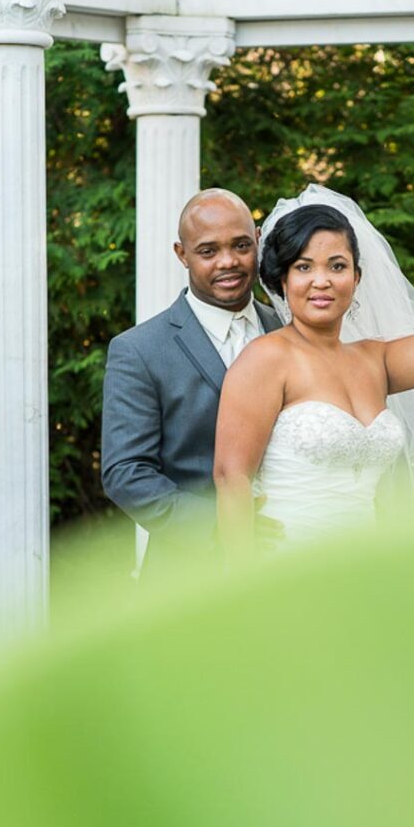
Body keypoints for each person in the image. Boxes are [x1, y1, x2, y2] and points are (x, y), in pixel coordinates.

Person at [214, 154, 414, 551]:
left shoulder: (375, 360)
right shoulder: (265, 359)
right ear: (282, 279)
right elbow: (232, 478)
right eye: (303, 267)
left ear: (356, 277)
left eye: (337, 266)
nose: (322, 281)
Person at [101, 189, 283, 561]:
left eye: (241, 245)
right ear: (181, 254)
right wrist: (224, 524)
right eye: (208, 251)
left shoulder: (289, 328)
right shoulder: (139, 350)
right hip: (194, 567)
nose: (227, 262)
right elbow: (126, 472)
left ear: (259, 240)